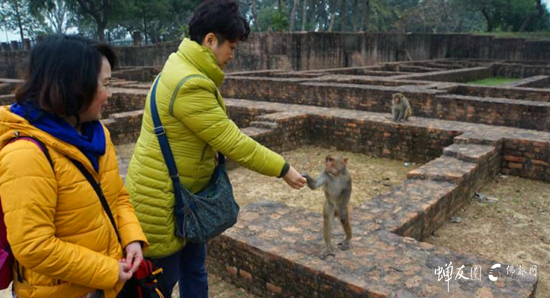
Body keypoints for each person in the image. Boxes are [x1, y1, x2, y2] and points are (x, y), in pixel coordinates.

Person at [125, 0, 307, 297]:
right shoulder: (188, 83)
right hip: (162, 203)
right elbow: (233, 142)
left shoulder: (181, 66)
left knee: (194, 269)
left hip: (187, 199)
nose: (232, 55)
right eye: (231, 47)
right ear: (210, 40)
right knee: (163, 282)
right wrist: (283, 169)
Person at [0, 35, 148, 298]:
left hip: (107, 282)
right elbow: (34, 246)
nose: (109, 94)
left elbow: (117, 197)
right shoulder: (26, 154)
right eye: (105, 84)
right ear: (75, 88)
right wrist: (107, 270)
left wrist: (131, 238)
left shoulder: (96, 135)